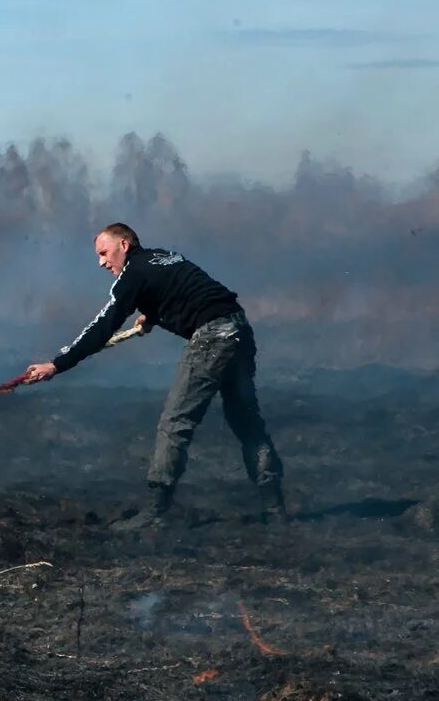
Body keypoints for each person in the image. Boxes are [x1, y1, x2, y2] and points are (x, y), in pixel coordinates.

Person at [23, 223, 286, 528]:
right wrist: (155, 313)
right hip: (239, 330)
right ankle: (275, 509)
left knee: (175, 423)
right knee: (247, 422)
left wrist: (58, 364)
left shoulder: (132, 274)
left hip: (213, 338)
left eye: (104, 253)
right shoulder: (164, 257)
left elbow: (104, 325)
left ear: (124, 245)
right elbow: (188, 293)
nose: (101, 262)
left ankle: (155, 511)